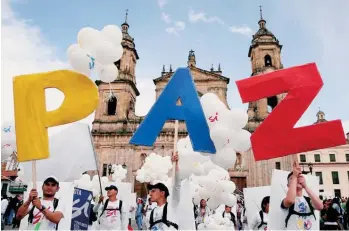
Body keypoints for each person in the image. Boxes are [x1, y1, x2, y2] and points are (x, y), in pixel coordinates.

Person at [281, 162, 323, 230]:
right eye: (294, 179)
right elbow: (290, 201)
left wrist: (305, 186)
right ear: (288, 186)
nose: (297, 179)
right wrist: (294, 176)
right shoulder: (286, 199)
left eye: (299, 177)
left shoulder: (308, 199)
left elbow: (320, 206)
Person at [146, 152, 180, 230]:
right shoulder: (151, 212)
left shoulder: (172, 206)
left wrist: (176, 165)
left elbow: (177, 186)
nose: (150, 194)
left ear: (162, 193)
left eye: (153, 191)